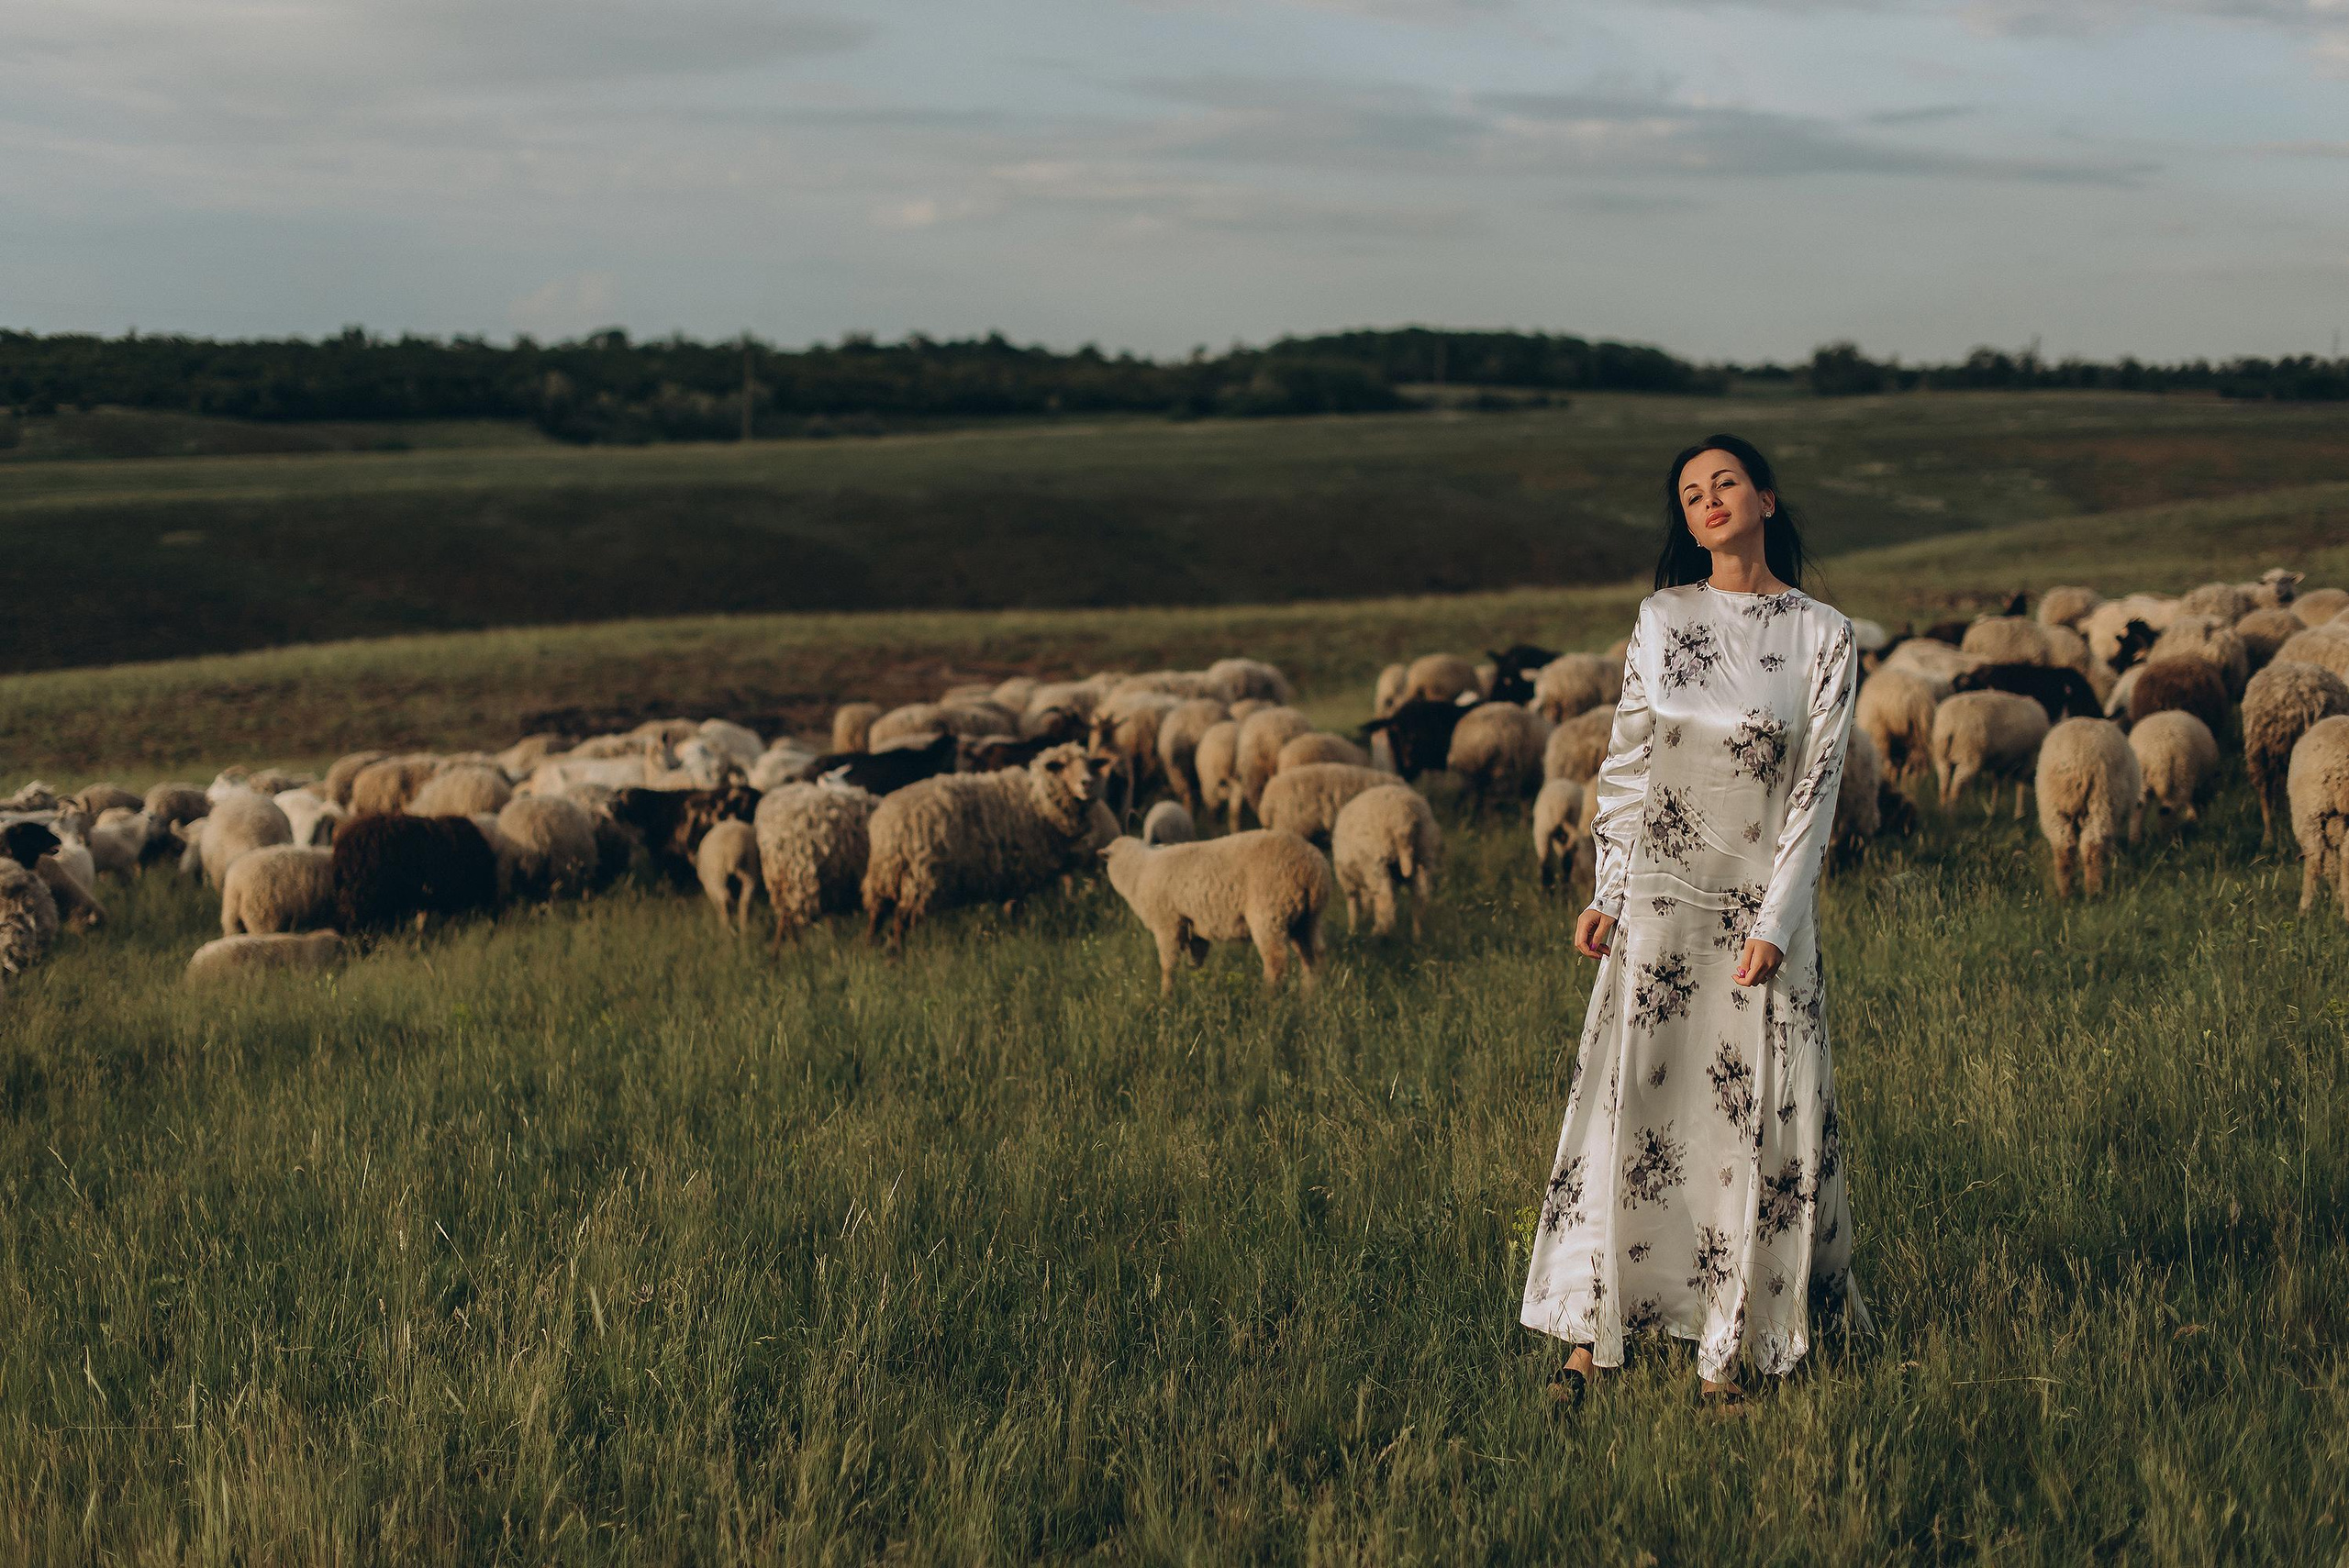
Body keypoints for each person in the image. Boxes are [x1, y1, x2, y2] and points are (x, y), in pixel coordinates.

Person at [1520, 433, 1870, 1411]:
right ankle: (1589, 1333)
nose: (1708, 499)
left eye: (1725, 483)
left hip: (1759, 918)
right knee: (1634, 1109)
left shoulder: (1822, 635)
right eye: (1689, 493)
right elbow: (1629, 764)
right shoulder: (1662, 617)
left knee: (1744, 1119)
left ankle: (1729, 1347)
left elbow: (1816, 788)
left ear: (1764, 497)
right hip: (1659, 912)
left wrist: (1778, 919)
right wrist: (1606, 888)